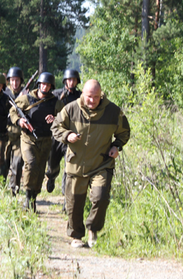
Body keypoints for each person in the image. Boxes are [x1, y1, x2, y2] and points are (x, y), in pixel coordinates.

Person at [51, 79, 130, 248]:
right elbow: (56, 127)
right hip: (76, 164)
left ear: (101, 95)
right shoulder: (71, 109)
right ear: (83, 94)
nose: (92, 100)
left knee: (100, 198)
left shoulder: (113, 112)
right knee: (73, 202)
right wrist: (67, 136)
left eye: (96, 96)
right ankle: (76, 235)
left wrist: (116, 146)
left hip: (101, 164)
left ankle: (93, 229)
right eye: (89, 96)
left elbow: (124, 133)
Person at [10, 72, 64, 211]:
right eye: (43, 84)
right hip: (28, 139)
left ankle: (34, 196)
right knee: (31, 164)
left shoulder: (56, 102)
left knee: (40, 169)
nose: (45, 87)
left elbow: (65, 118)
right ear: (39, 84)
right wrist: (19, 121)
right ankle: (28, 196)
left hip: (46, 140)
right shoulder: (27, 99)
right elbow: (13, 110)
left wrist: (55, 119)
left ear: (51, 86)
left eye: (48, 85)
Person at [45, 69, 82, 194]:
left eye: (74, 80)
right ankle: (51, 177)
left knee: (69, 167)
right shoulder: (55, 94)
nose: (71, 82)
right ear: (65, 81)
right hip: (57, 136)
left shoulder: (80, 97)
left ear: (77, 81)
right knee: (52, 164)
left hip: (72, 136)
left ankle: (66, 196)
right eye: (69, 79)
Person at [4, 67, 25, 195]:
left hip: (19, 135)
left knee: (17, 164)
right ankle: (0, 188)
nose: (15, 83)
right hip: (5, 134)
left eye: (17, 80)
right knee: (3, 164)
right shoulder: (4, 93)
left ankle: (14, 190)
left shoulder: (26, 94)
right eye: (12, 80)